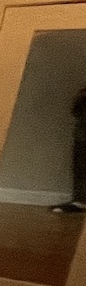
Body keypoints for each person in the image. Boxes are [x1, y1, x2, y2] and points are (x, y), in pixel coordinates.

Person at [54, 85, 86, 213]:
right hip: (82, 136)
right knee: (80, 167)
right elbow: (76, 111)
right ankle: (80, 201)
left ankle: (80, 201)